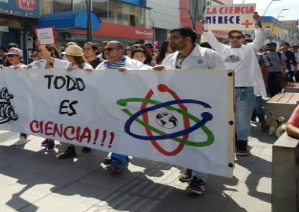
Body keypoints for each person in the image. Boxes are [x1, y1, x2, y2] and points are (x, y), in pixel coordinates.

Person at [161, 27, 225, 195]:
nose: (171, 41)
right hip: (174, 107)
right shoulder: (169, 58)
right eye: (171, 38)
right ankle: (188, 167)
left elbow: (222, 80)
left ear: (188, 39)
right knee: (179, 140)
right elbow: (160, 79)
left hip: (201, 107)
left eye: (175, 38)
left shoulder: (209, 56)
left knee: (199, 142)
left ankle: (199, 177)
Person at [202, 13, 266, 156]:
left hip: (245, 91)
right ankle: (231, 141)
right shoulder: (223, 49)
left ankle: (242, 143)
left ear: (243, 39)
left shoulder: (250, 48)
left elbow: (260, 38)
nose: (235, 39)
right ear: (228, 39)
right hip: (226, 90)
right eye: (232, 37)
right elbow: (210, 38)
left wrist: (257, 22)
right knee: (226, 117)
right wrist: (205, 25)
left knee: (243, 118)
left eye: (238, 37)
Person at [95, 41, 153, 173]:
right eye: (105, 49)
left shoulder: (132, 64)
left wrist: (132, 73)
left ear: (120, 51)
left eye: (110, 49)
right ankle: (115, 154)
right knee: (113, 130)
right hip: (107, 106)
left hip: (127, 106)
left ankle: (119, 159)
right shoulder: (103, 64)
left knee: (123, 131)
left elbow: (150, 74)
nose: (106, 51)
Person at [39, 42, 93, 159]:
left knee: (83, 124)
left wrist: (78, 72)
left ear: (73, 56)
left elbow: (91, 83)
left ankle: (87, 143)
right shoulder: (66, 64)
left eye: (67, 55)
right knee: (68, 123)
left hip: (81, 102)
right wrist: (41, 45)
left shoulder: (87, 67)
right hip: (67, 101)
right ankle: (71, 148)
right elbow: (49, 58)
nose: (66, 57)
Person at [4, 47, 30, 146]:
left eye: (11, 56)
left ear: (19, 57)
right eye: (8, 56)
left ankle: (23, 136)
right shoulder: (8, 68)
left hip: (22, 97)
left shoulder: (24, 67)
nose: (9, 58)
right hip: (11, 96)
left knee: (22, 116)